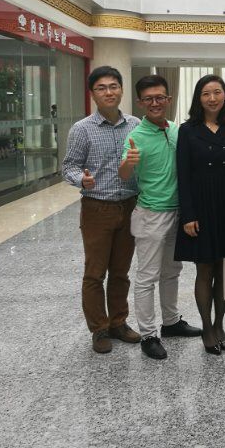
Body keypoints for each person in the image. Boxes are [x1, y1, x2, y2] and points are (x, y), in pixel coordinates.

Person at [119, 74, 201, 360]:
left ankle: (171, 322)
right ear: (140, 102)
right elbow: (124, 174)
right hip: (151, 214)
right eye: (149, 99)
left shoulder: (178, 130)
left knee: (172, 271)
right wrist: (127, 164)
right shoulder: (135, 136)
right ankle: (148, 334)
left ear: (168, 99)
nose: (155, 103)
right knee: (147, 276)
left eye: (160, 98)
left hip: (179, 213)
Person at [62, 66, 141, 354]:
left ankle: (119, 322)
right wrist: (80, 179)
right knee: (95, 273)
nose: (109, 92)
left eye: (113, 86)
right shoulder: (82, 129)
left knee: (121, 271)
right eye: (101, 88)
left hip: (130, 205)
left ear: (121, 89)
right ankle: (99, 328)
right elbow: (68, 166)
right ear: (93, 94)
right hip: (97, 208)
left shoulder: (135, 125)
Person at [175, 75, 225, 355]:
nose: (212, 98)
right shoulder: (187, 130)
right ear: (198, 98)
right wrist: (188, 214)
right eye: (206, 93)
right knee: (204, 269)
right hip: (200, 204)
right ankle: (206, 326)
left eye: (217, 92)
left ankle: (219, 324)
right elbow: (183, 174)